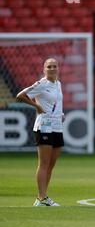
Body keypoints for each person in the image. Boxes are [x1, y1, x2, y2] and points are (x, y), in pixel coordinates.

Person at [16, 58, 64, 207]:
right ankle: (41, 198)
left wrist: (60, 114)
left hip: (57, 126)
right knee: (43, 163)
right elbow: (20, 95)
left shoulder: (58, 84)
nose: (52, 69)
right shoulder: (41, 84)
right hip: (44, 126)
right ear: (44, 69)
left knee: (51, 164)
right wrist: (36, 105)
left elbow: (55, 103)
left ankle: (41, 197)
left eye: (54, 66)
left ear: (58, 69)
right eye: (49, 66)